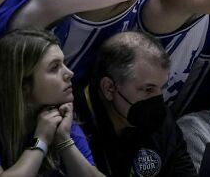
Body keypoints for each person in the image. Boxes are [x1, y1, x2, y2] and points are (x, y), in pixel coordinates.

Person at [75, 31, 196, 176]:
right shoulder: (71, 120)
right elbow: (39, 144)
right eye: (148, 89)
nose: (158, 99)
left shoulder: (161, 122)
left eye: (161, 88)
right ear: (109, 88)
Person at [0, 29, 101, 177]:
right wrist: (41, 140)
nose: (70, 73)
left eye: (63, 63)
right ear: (22, 86)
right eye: (54, 68)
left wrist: (64, 140)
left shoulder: (62, 121)